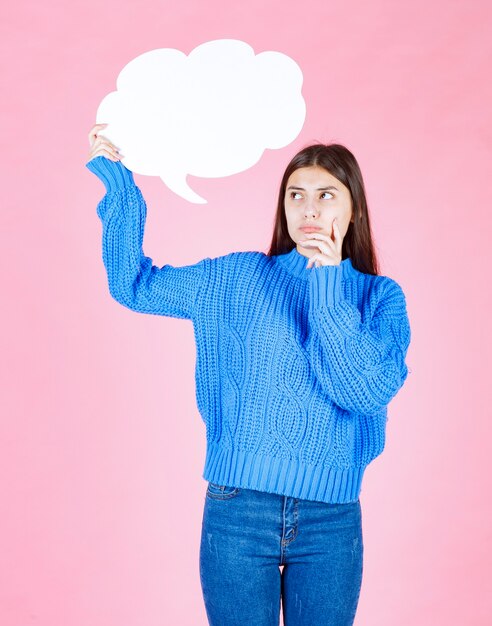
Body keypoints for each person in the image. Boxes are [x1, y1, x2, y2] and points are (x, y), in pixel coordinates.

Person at [86, 123, 412, 626]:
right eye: (296, 194)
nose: (309, 209)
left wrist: (326, 285)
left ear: (354, 208)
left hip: (331, 519)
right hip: (237, 511)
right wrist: (120, 186)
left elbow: (363, 391)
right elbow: (134, 286)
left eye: (326, 195)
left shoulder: (380, 298)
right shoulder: (235, 278)